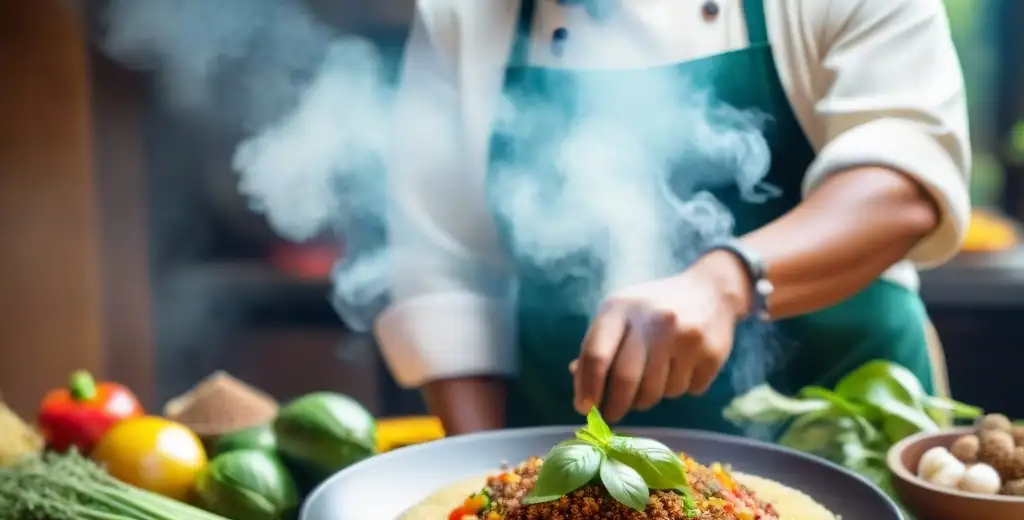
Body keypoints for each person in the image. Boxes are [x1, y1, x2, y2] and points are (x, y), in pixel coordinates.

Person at [372, 0, 970, 435]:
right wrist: (494, 481)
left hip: (846, 433)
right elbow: (445, 281)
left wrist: (725, 281)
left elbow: (905, 183)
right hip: (571, 461)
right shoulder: (462, 14)